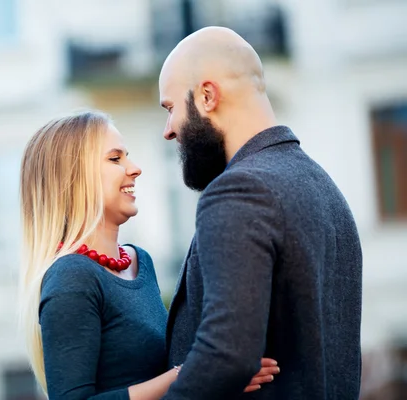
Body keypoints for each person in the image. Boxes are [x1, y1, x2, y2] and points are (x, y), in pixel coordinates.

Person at [159, 26, 363, 399]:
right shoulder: (324, 187)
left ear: (207, 96)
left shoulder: (239, 191)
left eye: (170, 108)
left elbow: (227, 353)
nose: (168, 131)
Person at [18, 111, 279, 399]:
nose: (135, 168)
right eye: (115, 159)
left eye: (127, 156)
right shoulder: (72, 277)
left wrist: (220, 376)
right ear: (73, 176)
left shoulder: (140, 262)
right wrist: (196, 373)